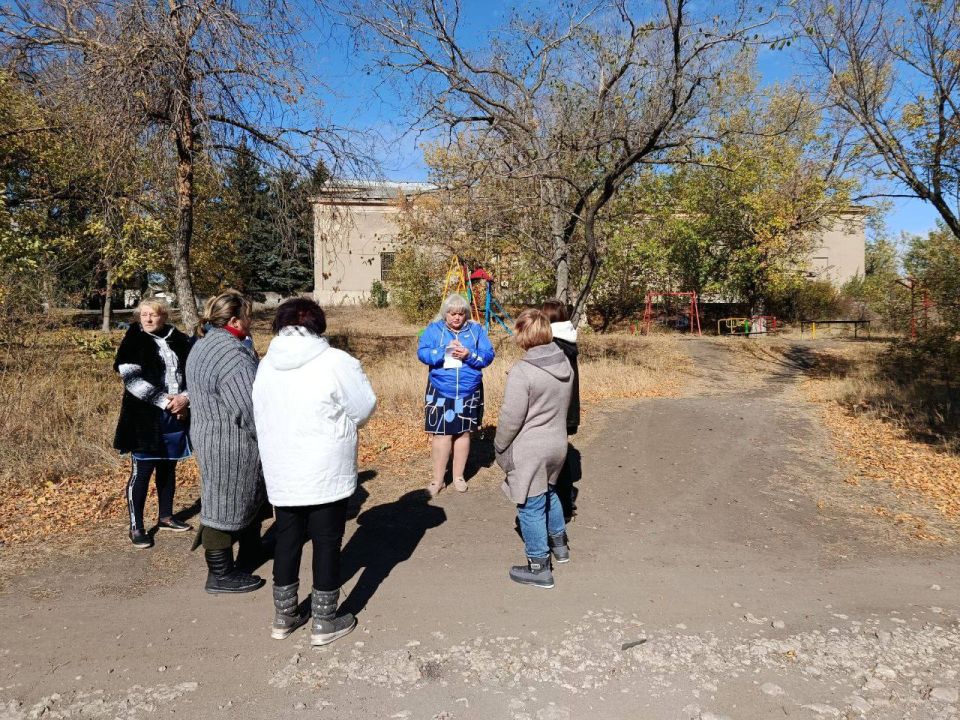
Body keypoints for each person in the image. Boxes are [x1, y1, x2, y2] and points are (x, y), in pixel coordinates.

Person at [253, 298, 376, 645]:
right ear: (318, 326)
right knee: (326, 541)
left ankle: (284, 616)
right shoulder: (336, 361)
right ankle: (324, 620)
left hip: (283, 464)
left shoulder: (267, 365)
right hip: (325, 466)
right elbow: (364, 406)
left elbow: (259, 409)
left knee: (287, 537)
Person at [186, 291, 266, 594]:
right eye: (248, 315)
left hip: (213, 435)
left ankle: (251, 551)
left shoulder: (206, 342)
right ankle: (220, 573)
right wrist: (268, 438)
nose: (251, 321)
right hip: (229, 441)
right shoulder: (230, 353)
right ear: (234, 319)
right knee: (223, 505)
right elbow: (248, 407)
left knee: (247, 497)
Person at [495, 309, 573, 589]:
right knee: (548, 492)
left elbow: (510, 417)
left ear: (522, 333)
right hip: (557, 443)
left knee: (529, 503)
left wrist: (499, 445)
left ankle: (538, 565)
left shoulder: (524, 370)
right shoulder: (565, 362)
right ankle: (559, 544)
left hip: (531, 446)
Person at [113, 299, 193, 549]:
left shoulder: (179, 339)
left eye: (153, 315)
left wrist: (185, 398)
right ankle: (136, 527)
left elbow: (193, 373)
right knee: (142, 472)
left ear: (164, 317)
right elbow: (132, 380)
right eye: (144, 315)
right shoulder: (133, 340)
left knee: (168, 467)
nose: (147, 319)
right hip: (144, 418)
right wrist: (165, 402)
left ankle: (166, 516)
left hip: (176, 415)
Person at [416, 293, 495, 496]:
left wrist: (470, 355)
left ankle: (458, 476)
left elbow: (488, 355)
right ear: (445, 313)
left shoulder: (476, 330)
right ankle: (438, 480)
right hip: (441, 388)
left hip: (469, 389)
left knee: (463, 433)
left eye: (460, 314)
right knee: (441, 434)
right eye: (452, 313)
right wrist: (443, 352)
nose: (456, 318)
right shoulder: (434, 329)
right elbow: (422, 353)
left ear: (466, 314)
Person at [541, 300, 581, 521]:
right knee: (560, 458)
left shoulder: (556, 345)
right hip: (565, 410)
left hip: (556, 410)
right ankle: (564, 506)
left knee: (557, 462)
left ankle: (562, 508)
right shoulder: (567, 341)